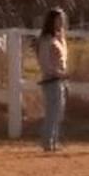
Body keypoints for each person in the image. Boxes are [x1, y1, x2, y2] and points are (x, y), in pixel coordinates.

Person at [37, 8, 70, 154]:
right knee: (52, 112)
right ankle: (48, 142)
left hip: (59, 78)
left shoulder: (58, 39)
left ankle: (53, 140)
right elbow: (45, 62)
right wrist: (57, 72)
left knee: (58, 113)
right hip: (52, 79)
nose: (61, 23)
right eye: (58, 20)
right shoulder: (47, 40)